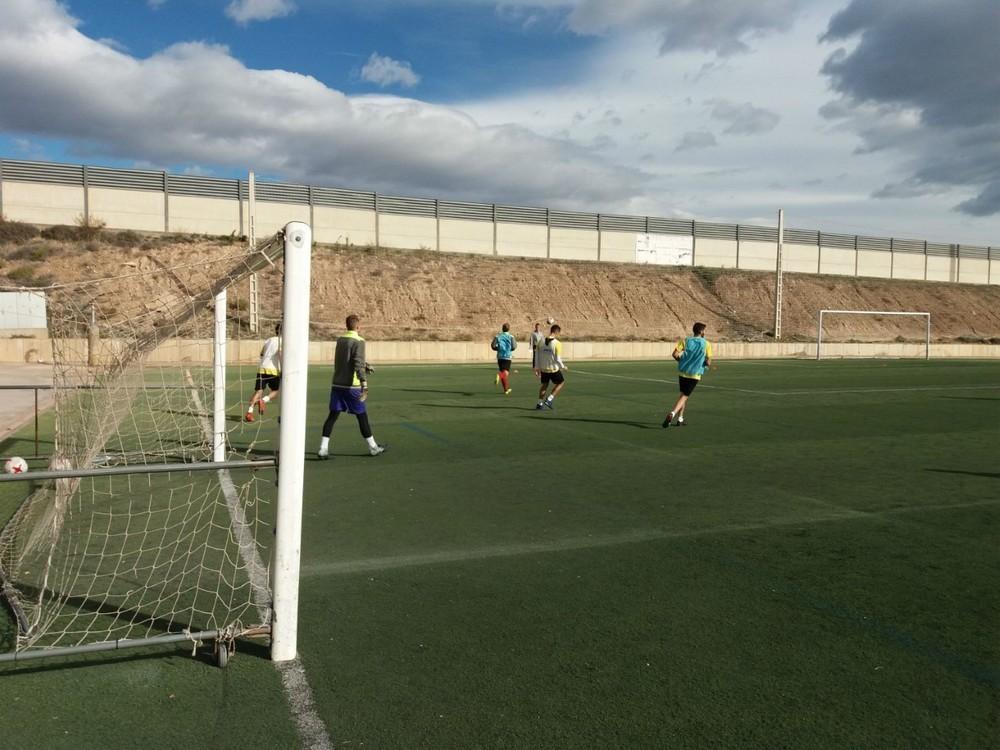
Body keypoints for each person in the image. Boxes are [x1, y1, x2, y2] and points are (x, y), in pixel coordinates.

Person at [317, 315, 386, 458]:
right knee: (362, 416)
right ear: (358, 326)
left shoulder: (340, 340)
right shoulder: (359, 341)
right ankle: (373, 447)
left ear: (346, 325)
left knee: (332, 416)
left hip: (337, 384)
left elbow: (348, 360)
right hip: (352, 386)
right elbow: (357, 363)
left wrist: (365, 366)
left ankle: (323, 448)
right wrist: (364, 384)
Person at [663, 321, 712, 428]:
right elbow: (708, 362)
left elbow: (675, 354)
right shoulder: (706, 344)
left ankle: (680, 419)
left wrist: (681, 361)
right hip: (695, 374)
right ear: (702, 332)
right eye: (704, 330)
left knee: (683, 395)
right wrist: (705, 364)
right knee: (685, 396)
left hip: (683, 372)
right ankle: (672, 413)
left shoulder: (685, 340)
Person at [245, 323, 281, 422]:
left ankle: (249, 412)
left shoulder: (269, 340)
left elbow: (261, 354)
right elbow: (280, 353)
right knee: (276, 390)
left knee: (259, 391)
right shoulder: (282, 341)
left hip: (262, 368)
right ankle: (263, 400)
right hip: (273, 370)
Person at [534, 323, 567, 410]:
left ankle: (539, 404)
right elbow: (558, 358)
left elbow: (536, 355)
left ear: (551, 331)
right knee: (561, 382)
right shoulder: (557, 343)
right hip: (553, 369)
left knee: (544, 385)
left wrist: (537, 367)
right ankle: (549, 399)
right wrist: (563, 366)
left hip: (544, 369)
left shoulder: (540, 341)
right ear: (557, 332)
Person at [491, 322, 517, 395]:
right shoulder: (511, 336)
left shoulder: (498, 336)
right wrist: (509, 350)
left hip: (500, 357)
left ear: (502, 328)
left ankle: (506, 389)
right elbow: (514, 346)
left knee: (503, 372)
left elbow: (493, 346)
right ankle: (499, 375)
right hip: (507, 357)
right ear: (509, 329)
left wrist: (498, 349)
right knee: (505, 373)